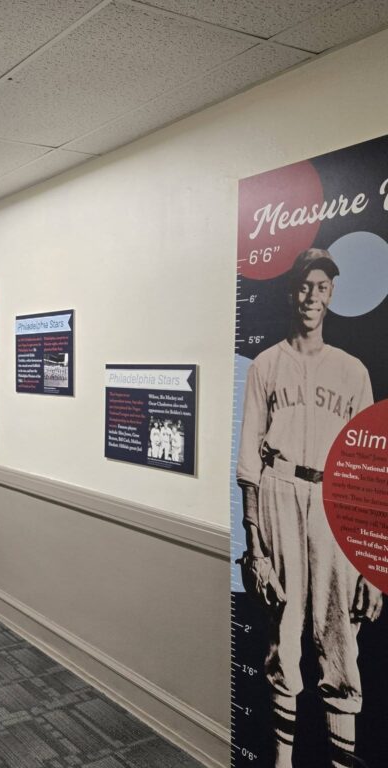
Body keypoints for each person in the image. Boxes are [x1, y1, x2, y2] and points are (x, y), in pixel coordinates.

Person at [237, 248, 382, 768]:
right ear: (291, 290)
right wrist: (254, 547)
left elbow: (369, 471)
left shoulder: (353, 371)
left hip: (333, 499)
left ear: (332, 294)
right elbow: (248, 464)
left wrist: (373, 566)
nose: (312, 296)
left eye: (322, 286)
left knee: (338, 634)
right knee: (282, 631)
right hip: (278, 488)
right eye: (304, 285)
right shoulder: (265, 365)